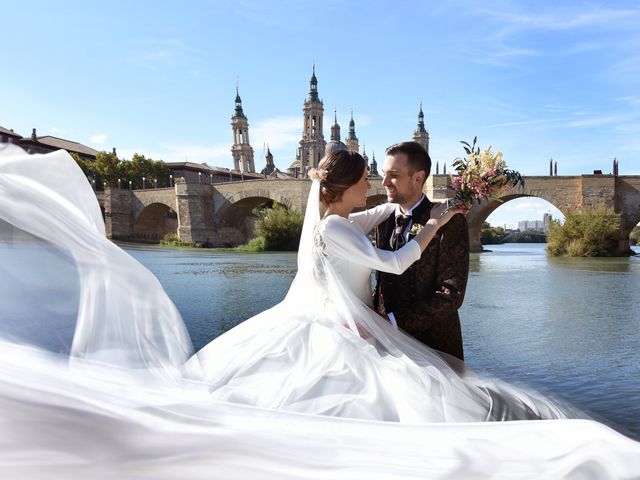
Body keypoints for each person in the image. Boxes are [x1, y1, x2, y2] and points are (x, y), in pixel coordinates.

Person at [1, 144, 640, 479]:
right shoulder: (335, 230)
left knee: (389, 417)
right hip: (354, 335)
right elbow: (386, 261)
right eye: (375, 179)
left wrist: (446, 203)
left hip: (380, 334)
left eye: (391, 178)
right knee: (366, 422)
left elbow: (382, 217)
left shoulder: (346, 217)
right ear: (354, 182)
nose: (382, 187)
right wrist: (436, 218)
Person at [374, 141, 469, 361]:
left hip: (435, 348)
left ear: (418, 178)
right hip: (386, 348)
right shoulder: (382, 220)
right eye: (384, 174)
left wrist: (394, 322)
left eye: (394, 175)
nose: (384, 182)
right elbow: (382, 284)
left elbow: (451, 294)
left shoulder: (448, 220)